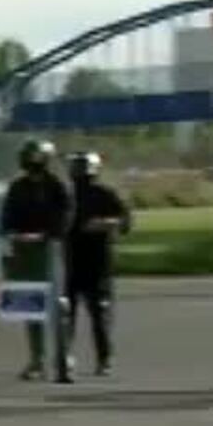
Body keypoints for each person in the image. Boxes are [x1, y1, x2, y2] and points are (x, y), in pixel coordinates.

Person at [2, 139, 74, 383]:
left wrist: (46, 234)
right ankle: (37, 359)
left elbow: (65, 216)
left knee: (57, 305)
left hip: (49, 248)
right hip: (23, 250)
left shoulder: (57, 186)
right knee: (29, 306)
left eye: (35, 158)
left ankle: (63, 358)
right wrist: (12, 235)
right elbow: (7, 217)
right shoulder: (18, 187)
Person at [66, 151, 133, 377]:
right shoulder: (67, 195)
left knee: (100, 313)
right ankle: (64, 357)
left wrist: (104, 223)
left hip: (97, 263)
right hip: (70, 261)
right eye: (76, 170)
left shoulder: (104, 194)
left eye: (83, 170)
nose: (80, 176)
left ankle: (104, 358)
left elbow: (126, 220)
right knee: (66, 314)